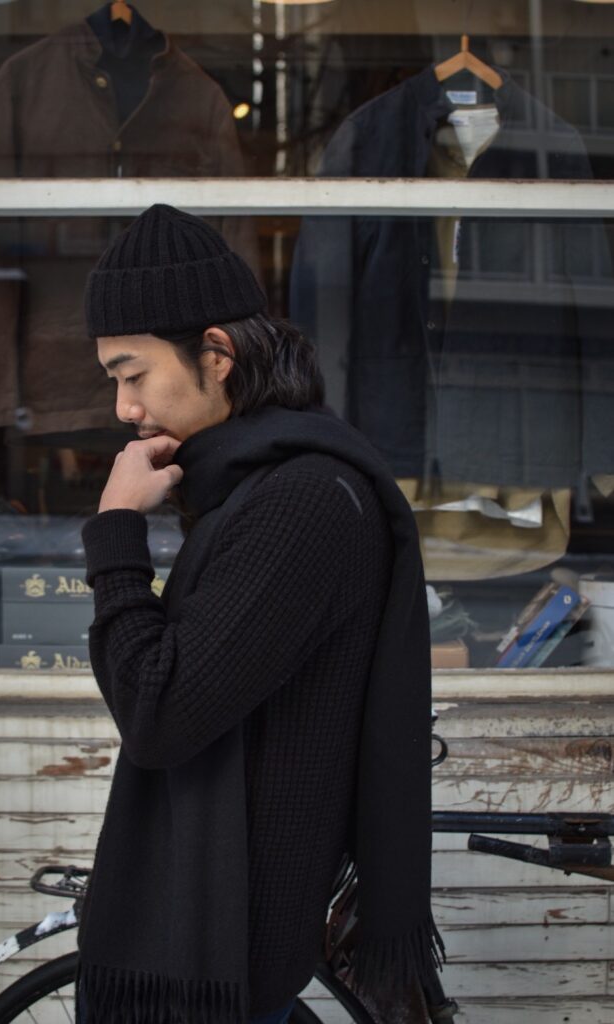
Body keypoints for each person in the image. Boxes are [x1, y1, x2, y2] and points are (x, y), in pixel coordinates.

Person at [76, 204, 444, 1024]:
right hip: (201, 943)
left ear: (216, 353)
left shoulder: (302, 502)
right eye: (114, 382)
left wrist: (115, 531)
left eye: (133, 374)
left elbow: (158, 713)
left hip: (210, 959)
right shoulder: (254, 486)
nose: (125, 408)